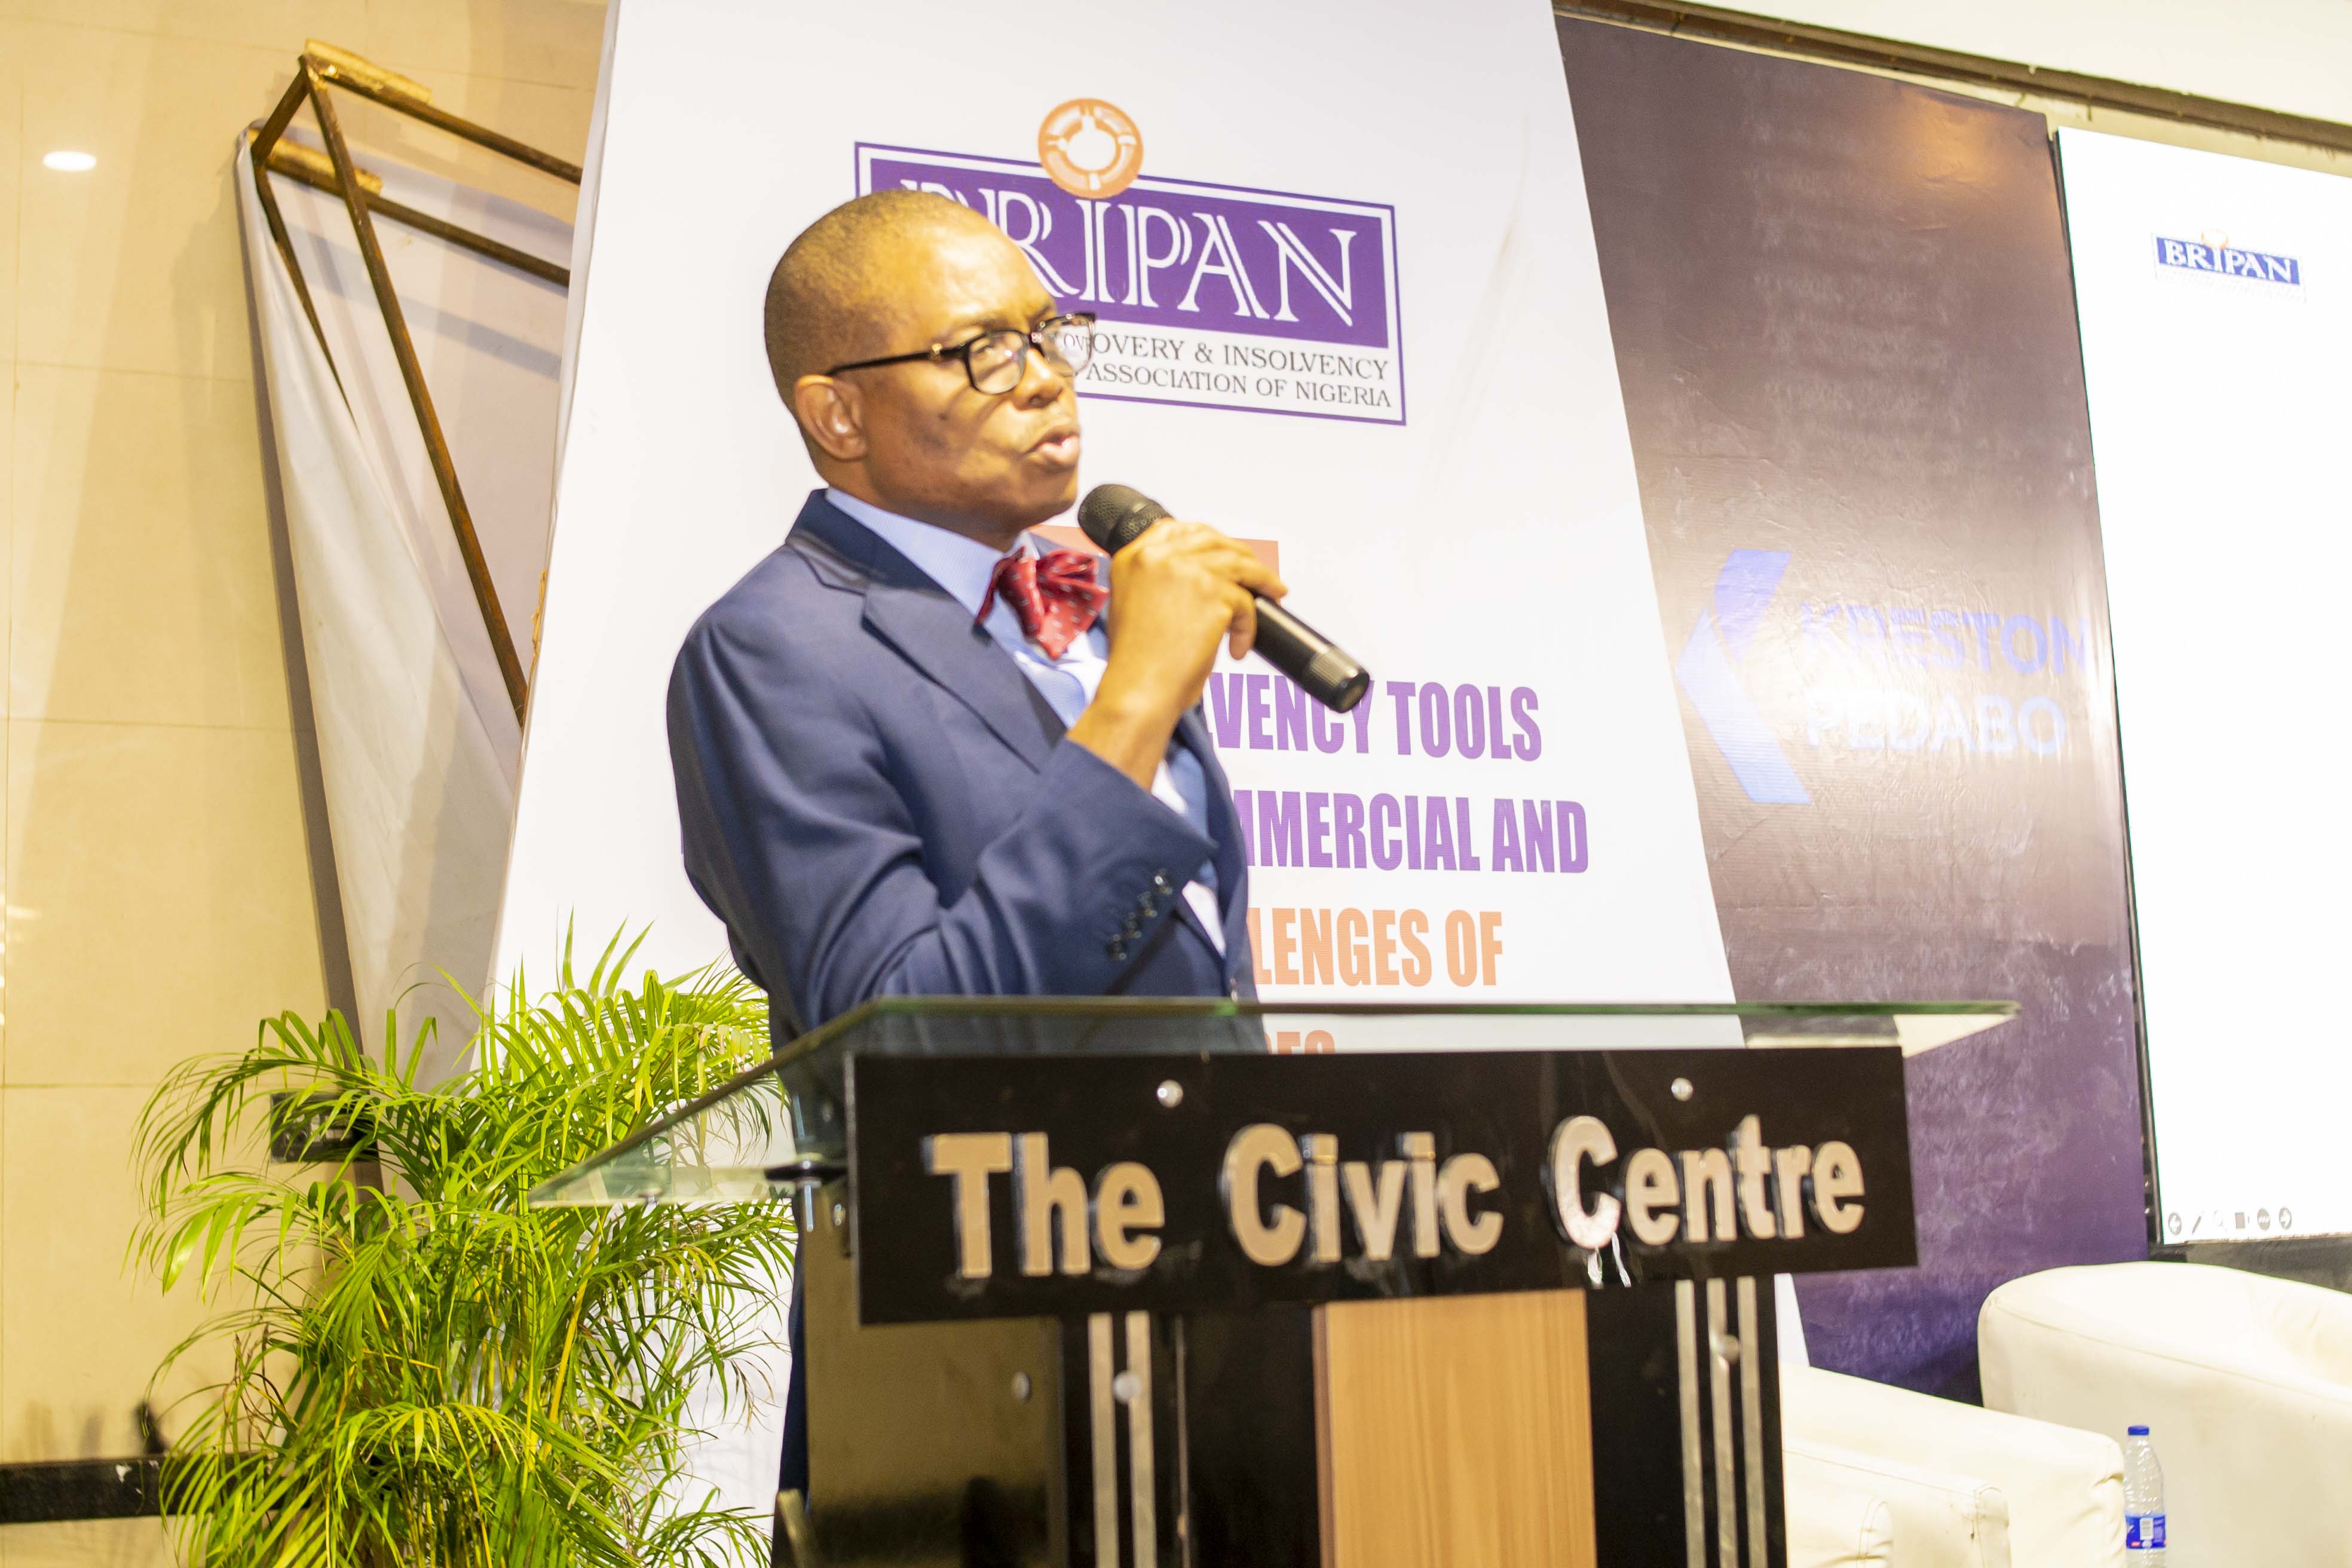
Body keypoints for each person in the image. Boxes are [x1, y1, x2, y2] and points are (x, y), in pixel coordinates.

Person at [663, 189, 1275, 1539]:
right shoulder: (772, 649)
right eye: (984, 350)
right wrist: (1135, 702)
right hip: (971, 1383)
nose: (1046, 376)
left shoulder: (1085, 609)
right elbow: (899, 1038)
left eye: (1051, 332)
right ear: (838, 414)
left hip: (1220, 1319)